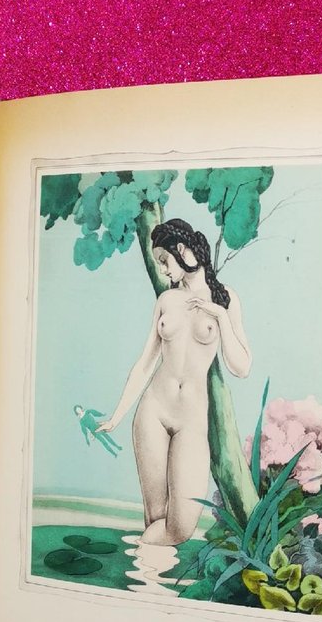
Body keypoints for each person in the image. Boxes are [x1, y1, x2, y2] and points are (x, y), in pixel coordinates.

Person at [97, 219, 251, 545]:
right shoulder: (167, 300)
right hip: (153, 411)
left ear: (181, 250)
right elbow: (145, 363)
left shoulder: (226, 298)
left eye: (164, 260)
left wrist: (221, 317)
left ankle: (142, 561)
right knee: (155, 516)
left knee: (179, 530)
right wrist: (116, 416)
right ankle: (148, 573)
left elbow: (242, 367)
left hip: (191, 420)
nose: (164, 270)